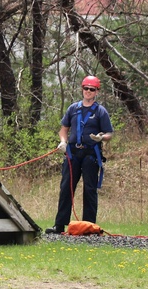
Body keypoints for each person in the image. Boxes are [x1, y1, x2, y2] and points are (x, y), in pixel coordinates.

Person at [46, 75, 114, 234]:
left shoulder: (100, 111)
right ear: (82, 89)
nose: (88, 91)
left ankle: (89, 226)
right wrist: (63, 142)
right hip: (73, 153)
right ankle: (59, 224)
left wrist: (101, 137)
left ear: (97, 91)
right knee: (66, 188)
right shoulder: (73, 109)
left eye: (92, 89)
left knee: (90, 189)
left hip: (91, 154)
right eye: (86, 88)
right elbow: (64, 129)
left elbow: (109, 134)